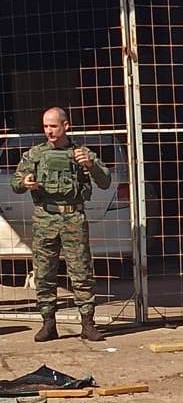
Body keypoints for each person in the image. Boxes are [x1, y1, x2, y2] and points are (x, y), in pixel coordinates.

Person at [11, 107, 111, 342]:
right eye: (45, 126)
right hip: (45, 218)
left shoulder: (80, 154)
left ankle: (87, 323)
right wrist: (25, 182)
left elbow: (105, 181)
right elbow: (16, 183)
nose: (49, 131)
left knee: (81, 272)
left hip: (73, 218)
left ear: (66, 126)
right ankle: (48, 323)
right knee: (44, 273)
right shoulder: (35, 154)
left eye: (53, 126)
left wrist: (90, 165)